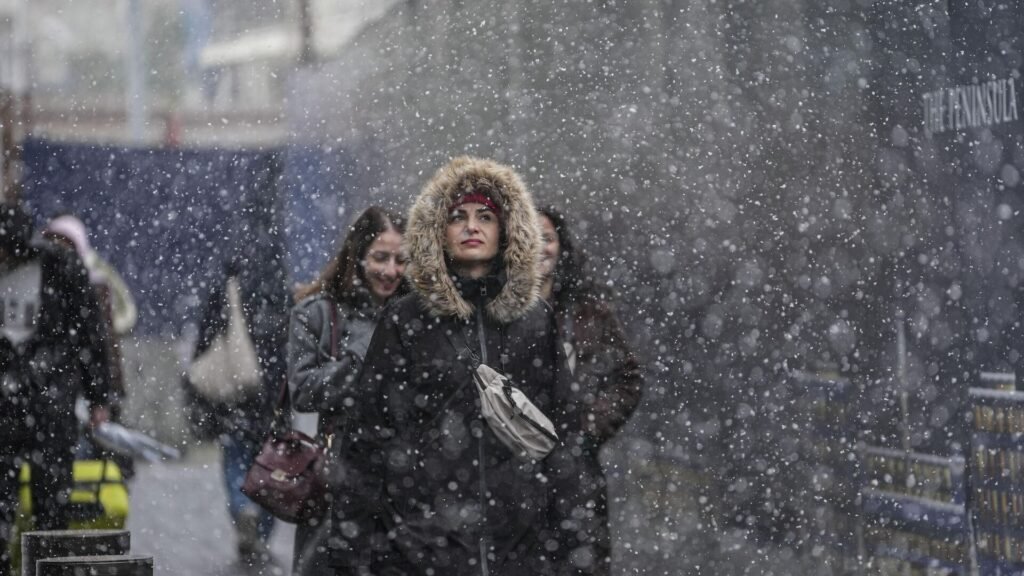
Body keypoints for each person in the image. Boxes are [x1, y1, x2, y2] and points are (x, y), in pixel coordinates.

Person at [341, 156, 561, 575]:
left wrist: (561, 540)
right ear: (437, 232)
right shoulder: (405, 318)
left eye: (485, 216)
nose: (471, 227)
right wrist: (361, 548)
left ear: (507, 230)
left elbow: (563, 432)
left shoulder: (535, 320)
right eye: (458, 216)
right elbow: (369, 434)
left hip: (518, 543)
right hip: (423, 545)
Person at [287, 207, 408, 576]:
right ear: (358, 256)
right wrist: (363, 354)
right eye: (380, 257)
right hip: (337, 477)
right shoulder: (318, 313)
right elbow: (303, 391)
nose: (390, 271)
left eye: (401, 260)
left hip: (406, 480)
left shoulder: (420, 315)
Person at [0, 203, 112, 576]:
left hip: (49, 401)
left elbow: (91, 335)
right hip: (8, 403)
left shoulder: (59, 267)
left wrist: (98, 398)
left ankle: (48, 566)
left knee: (50, 502)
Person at [537, 207, 644, 576]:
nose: (540, 247)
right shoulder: (496, 310)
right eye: (529, 238)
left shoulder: (588, 312)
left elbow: (627, 377)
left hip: (575, 471)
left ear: (561, 246)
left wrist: (590, 425)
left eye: (547, 238)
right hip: (513, 474)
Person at [183, 257, 289, 567]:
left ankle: (243, 509)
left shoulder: (226, 290)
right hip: (273, 396)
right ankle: (262, 531)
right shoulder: (281, 292)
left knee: (235, 458)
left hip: (235, 395)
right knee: (272, 467)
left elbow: (206, 338)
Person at [42, 214, 138, 477]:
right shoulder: (37, 279)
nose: (58, 251)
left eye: (65, 243)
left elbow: (100, 342)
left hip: (74, 387)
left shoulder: (92, 283)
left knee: (80, 457)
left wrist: (103, 394)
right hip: (51, 389)